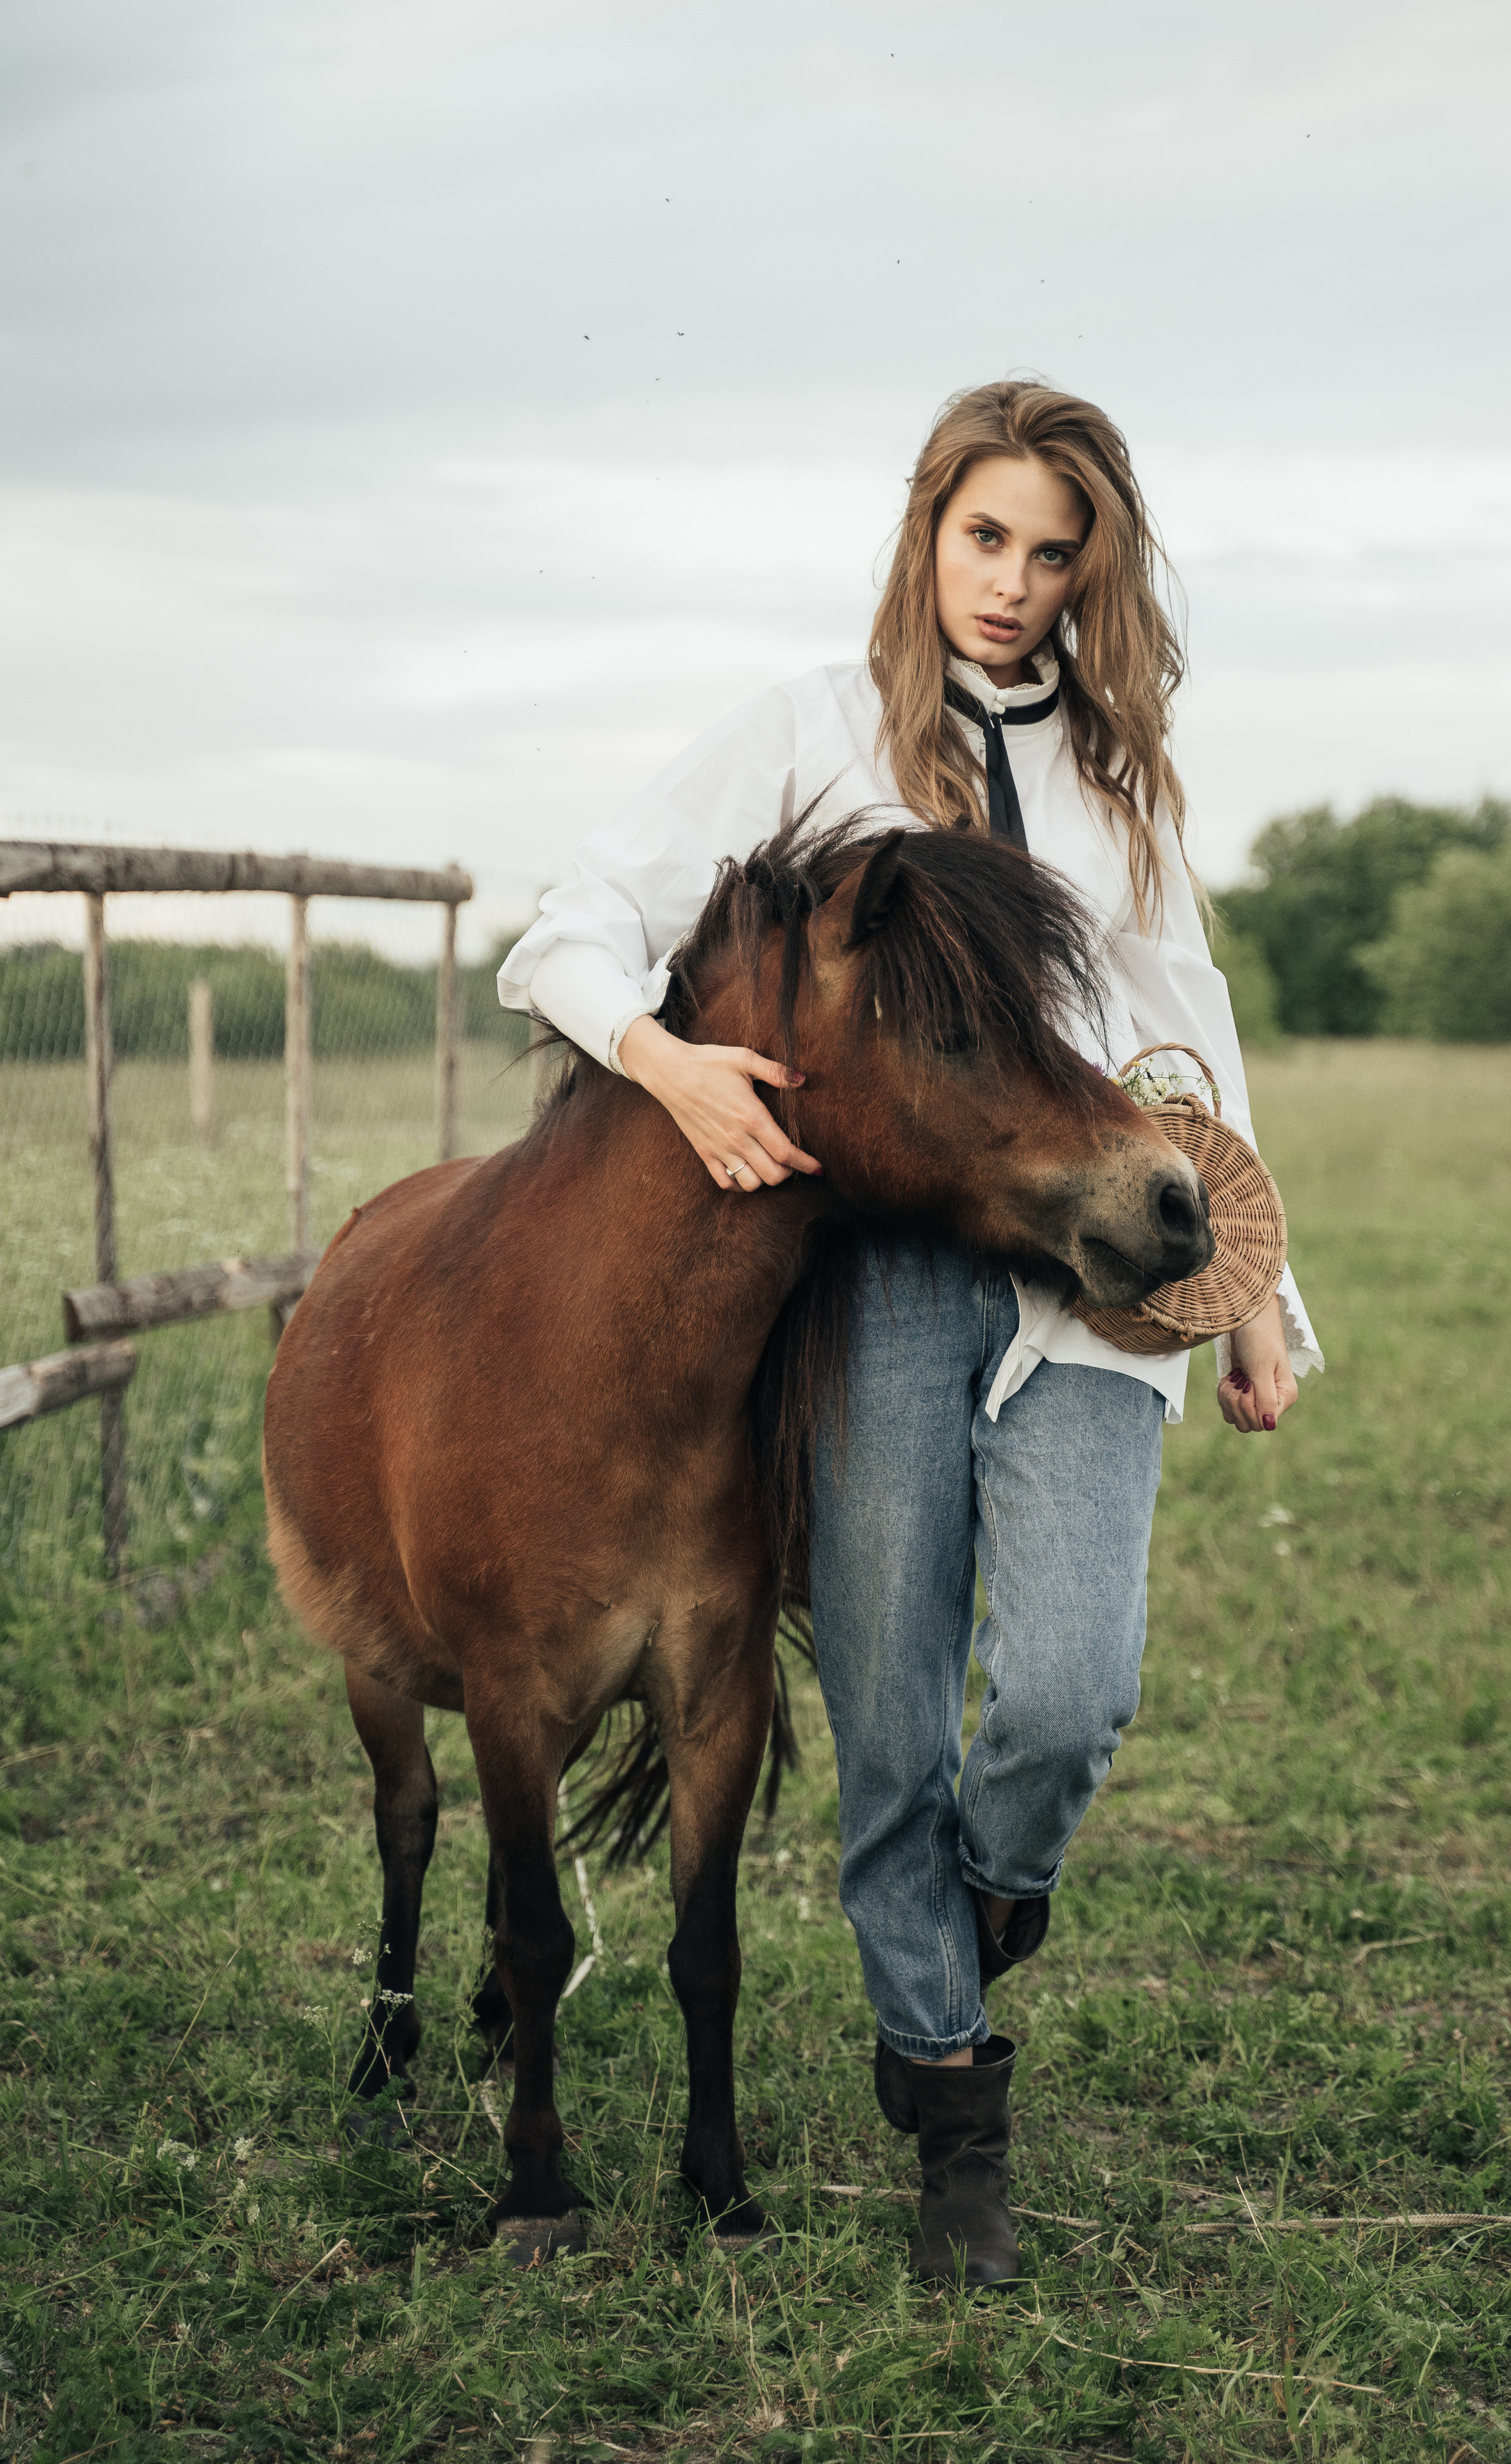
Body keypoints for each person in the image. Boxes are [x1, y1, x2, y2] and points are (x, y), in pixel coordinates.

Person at [498, 381, 1322, 2287]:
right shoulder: (808, 729)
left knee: (1066, 1697)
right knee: (887, 1724)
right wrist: (665, 1066)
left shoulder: (1119, 786)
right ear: (926, 532)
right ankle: (950, 2109)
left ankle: (986, 1899)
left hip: (1093, 1285)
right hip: (870, 1289)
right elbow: (573, 925)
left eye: (1054, 553)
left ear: (1094, 576)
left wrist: (1261, 1294)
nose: (1012, 584)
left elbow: (1189, 1042)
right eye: (985, 537)